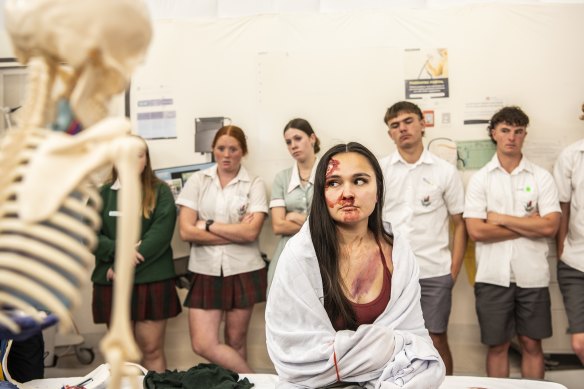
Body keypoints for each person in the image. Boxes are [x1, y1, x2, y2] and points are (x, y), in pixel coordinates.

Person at [266, 142, 445, 388]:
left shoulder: (399, 256)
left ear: (378, 190)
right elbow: (293, 352)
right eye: (334, 183)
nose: (347, 193)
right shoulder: (300, 256)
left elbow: (416, 343)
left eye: (360, 181)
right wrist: (383, 345)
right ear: (322, 193)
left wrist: (357, 353)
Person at [464, 106, 561, 379]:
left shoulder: (540, 177)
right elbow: (476, 232)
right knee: (498, 346)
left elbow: (551, 226)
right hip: (492, 276)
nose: (512, 137)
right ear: (494, 133)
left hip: (533, 276)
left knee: (532, 343)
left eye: (518, 132)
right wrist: (530, 225)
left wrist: (500, 219)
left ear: (524, 135)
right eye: (505, 130)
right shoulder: (480, 179)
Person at [380, 101, 466, 375]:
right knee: (391, 341)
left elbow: (459, 224)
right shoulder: (379, 171)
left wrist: (452, 271)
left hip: (434, 271)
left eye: (408, 121)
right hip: (391, 273)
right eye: (395, 125)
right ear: (390, 134)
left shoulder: (444, 171)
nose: (402, 128)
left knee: (436, 338)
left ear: (422, 124)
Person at [176, 125, 268, 373]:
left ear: (243, 152)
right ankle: (253, 383)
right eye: (221, 148)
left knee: (236, 342)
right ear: (213, 150)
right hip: (205, 270)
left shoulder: (255, 184)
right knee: (203, 344)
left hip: (243, 270)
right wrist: (233, 233)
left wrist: (206, 225)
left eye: (233, 149)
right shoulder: (198, 180)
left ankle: (236, 386)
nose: (226, 154)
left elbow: (250, 232)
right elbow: (185, 231)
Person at [92, 136, 181, 372]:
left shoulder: (161, 192)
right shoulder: (101, 194)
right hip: (112, 282)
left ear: (146, 160)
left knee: (151, 349)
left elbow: (160, 236)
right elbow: (90, 236)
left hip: (151, 279)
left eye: (139, 155)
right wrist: (122, 253)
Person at [268, 118, 320, 289]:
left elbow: (333, 224)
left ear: (312, 138)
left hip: (322, 250)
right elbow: (278, 226)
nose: (293, 146)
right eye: (288, 142)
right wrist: (314, 222)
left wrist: (295, 216)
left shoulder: (329, 173)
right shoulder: (282, 178)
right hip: (287, 253)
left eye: (298, 138)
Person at [553, 103, 584, 364]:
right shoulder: (572, 155)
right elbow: (563, 206)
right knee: (580, 342)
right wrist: (561, 250)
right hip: (576, 261)